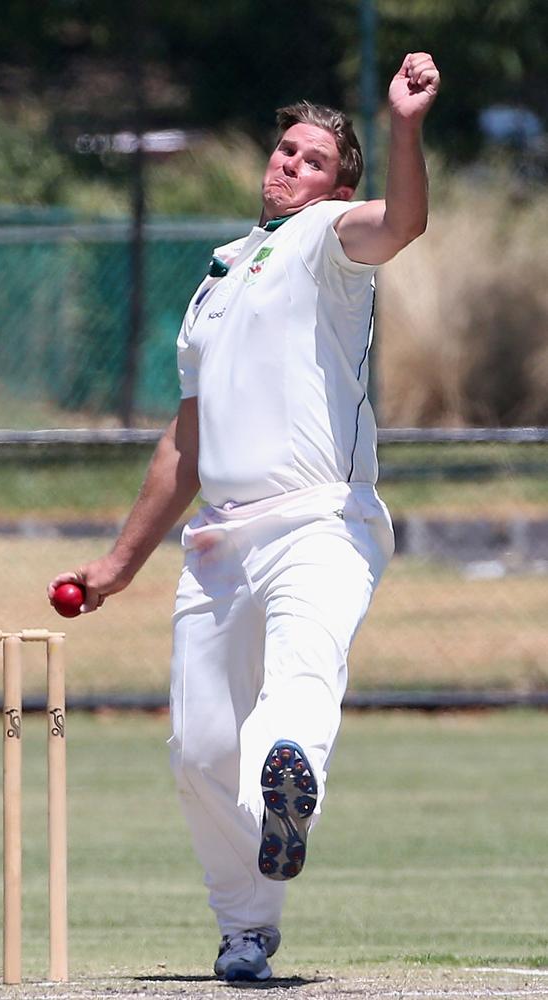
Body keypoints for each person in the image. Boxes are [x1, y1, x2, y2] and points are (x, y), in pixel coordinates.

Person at [49, 51, 440, 982]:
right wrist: (118, 563)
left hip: (320, 520)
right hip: (221, 542)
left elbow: (406, 221)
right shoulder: (216, 282)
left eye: (310, 159)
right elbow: (185, 443)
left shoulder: (329, 242)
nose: (287, 166)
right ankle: (248, 928)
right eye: (283, 152)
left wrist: (406, 127)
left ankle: (291, 775)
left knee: (295, 689)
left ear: (334, 185)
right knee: (198, 750)